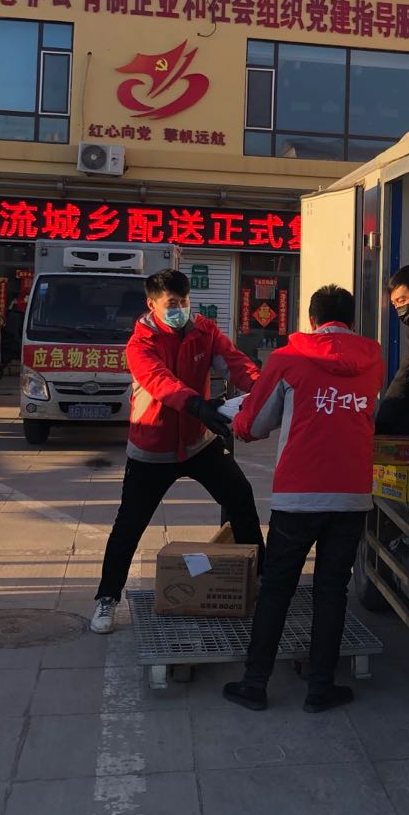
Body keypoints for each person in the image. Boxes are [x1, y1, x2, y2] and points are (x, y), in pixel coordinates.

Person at [222, 284, 384, 713]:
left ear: (312, 320)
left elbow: (254, 424)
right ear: (351, 320)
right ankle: (320, 688)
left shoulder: (287, 358)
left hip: (298, 495)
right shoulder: (373, 360)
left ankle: (255, 684)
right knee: (331, 591)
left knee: (277, 588)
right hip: (352, 495)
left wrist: (236, 421)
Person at [90, 269, 265, 635]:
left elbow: (234, 363)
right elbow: (160, 382)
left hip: (199, 441)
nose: (180, 309)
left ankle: (261, 579)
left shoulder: (204, 330)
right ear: (151, 304)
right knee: (129, 525)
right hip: (152, 448)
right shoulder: (140, 344)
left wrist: (261, 389)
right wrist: (198, 405)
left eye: (184, 301)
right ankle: (107, 598)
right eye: (172, 303)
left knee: (240, 497)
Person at [375, 265, 409, 434]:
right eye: (394, 303)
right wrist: (382, 424)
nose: (399, 309)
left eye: (402, 300)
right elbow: (407, 376)